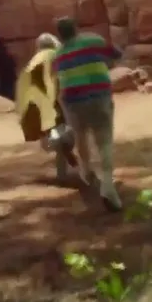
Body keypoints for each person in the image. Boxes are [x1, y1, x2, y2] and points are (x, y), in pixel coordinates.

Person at [51, 16, 124, 211]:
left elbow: (57, 78)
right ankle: (107, 186)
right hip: (98, 96)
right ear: (76, 28)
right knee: (104, 140)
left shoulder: (57, 55)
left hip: (72, 101)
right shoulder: (93, 40)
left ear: (59, 34)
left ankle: (86, 170)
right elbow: (116, 53)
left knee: (80, 135)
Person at [15, 33, 79, 181]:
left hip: (30, 113)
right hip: (48, 106)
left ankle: (62, 164)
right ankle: (66, 163)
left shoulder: (33, 62)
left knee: (55, 135)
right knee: (66, 135)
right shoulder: (56, 56)